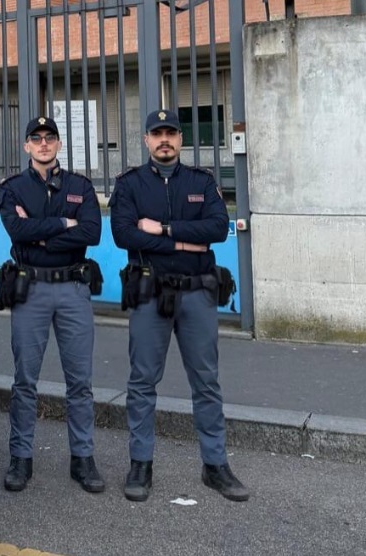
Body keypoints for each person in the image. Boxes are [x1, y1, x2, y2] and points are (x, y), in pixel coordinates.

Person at [108, 109, 249, 502]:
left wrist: (164, 229)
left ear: (180, 139)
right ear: (146, 140)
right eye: (157, 134)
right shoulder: (129, 185)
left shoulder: (201, 182)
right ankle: (140, 464)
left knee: (206, 382)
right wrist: (187, 243)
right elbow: (123, 235)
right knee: (142, 382)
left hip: (197, 295)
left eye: (171, 133)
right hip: (150, 294)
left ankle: (215, 466)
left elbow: (217, 228)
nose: (164, 140)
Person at [0, 116, 103, 493]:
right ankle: (20, 458)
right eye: (36, 138)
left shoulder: (80, 186)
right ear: (27, 145)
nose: (43, 143)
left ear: (59, 144)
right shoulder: (13, 189)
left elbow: (92, 233)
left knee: (80, 382)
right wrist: (65, 224)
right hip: (32, 291)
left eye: (50, 137)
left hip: (73, 289)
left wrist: (41, 233)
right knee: (25, 380)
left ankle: (83, 459)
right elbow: (17, 232)